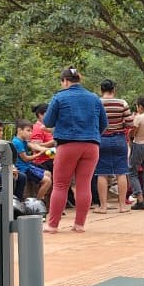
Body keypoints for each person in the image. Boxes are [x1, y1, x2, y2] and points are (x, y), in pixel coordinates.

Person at [41, 66, 108, 233]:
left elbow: (48, 122)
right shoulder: (94, 98)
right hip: (92, 145)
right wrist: (92, 134)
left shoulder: (59, 97)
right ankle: (79, 224)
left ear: (65, 81)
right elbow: (104, 124)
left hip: (68, 144)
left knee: (60, 185)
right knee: (84, 184)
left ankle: (53, 225)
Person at [96, 79, 134, 213]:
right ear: (114, 90)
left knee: (102, 173)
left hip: (102, 139)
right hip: (119, 139)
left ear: (101, 90)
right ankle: (123, 206)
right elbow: (130, 123)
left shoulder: (97, 103)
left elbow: (94, 122)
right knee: (121, 172)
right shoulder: (122, 103)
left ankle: (103, 206)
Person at [0, 118, 27, 199]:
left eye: (2, 130)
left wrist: (12, 168)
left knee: (22, 177)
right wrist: (5, 169)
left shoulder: (1, 143)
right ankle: (8, 203)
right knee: (10, 178)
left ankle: (17, 202)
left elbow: (7, 159)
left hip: (0, 169)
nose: (1, 133)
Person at [11, 119, 52, 201]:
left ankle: (40, 196)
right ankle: (38, 202)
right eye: (28, 131)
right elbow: (25, 158)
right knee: (47, 181)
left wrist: (48, 151)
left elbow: (35, 146)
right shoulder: (17, 142)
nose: (30, 133)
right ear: (19, 130)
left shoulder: (23, 140)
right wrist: (40, 154)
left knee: (48, 173)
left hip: (28, 166)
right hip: (23, 169)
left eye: (31, 131)